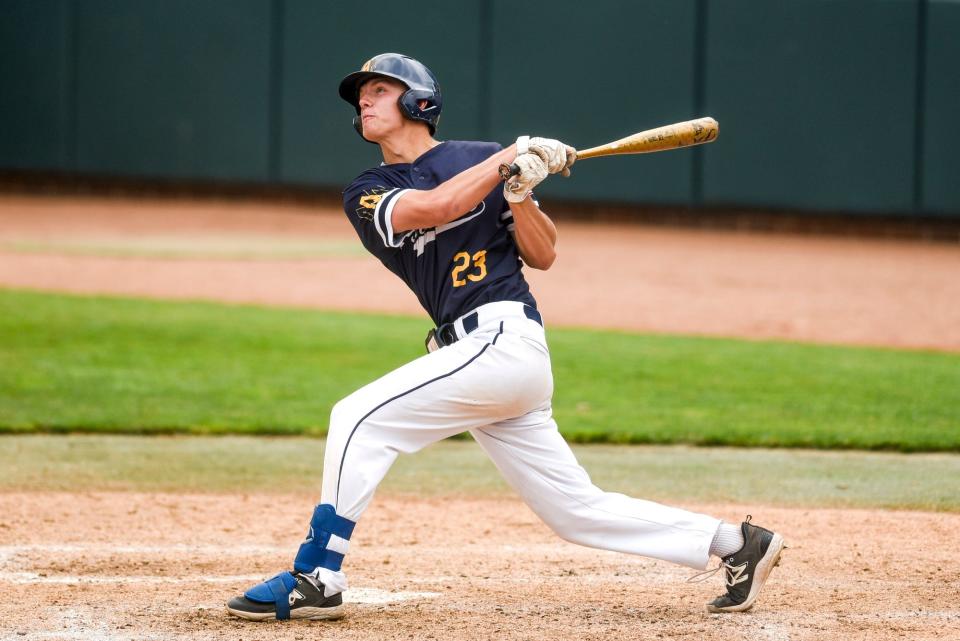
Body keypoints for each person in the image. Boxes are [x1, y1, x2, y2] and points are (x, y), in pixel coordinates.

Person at [226, 53, 784, 622]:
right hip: (477, 358)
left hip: (504, 341)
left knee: (357, 417)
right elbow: (437, 206)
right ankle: (736, 545)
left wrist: (518, 195)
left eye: (378, 89)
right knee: (574, 511)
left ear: (419, 99)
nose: (363, 100)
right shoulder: (369, 190)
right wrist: (509, 158)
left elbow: (543, 254)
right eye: (359, 95)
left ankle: (317, 575)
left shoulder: (477, 159)